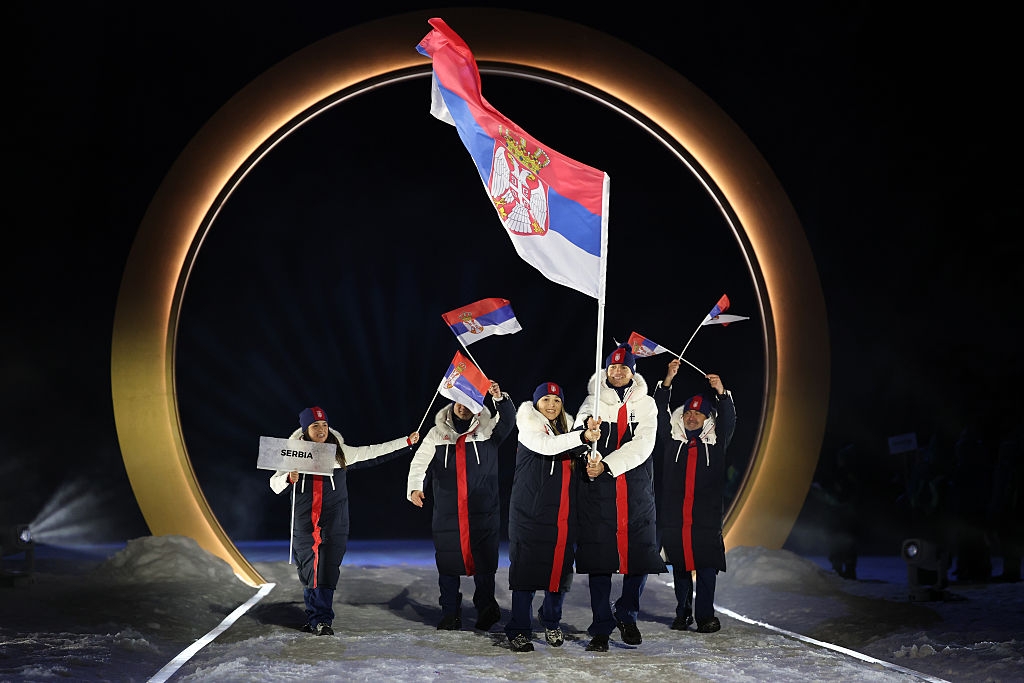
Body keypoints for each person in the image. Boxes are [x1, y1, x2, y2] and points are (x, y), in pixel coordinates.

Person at [269, 406, 420, 636]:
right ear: (305, 429)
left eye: (324, 425)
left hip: (334, 522)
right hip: (304, 522)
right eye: (315, 426)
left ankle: (322, 620)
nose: (321, 430)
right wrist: (288, 478)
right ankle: (314, 618)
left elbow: (374, 452)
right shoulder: (293, 453)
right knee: (309, 570)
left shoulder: (339, 453)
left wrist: (406, 442)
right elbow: (274, 484)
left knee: (326, 569)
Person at [572, 343, 666, 652]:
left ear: (632, 372)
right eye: (613, 367)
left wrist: (609, 465)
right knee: (599, 558)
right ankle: (601, 625)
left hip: (635, 488)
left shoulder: (648, 405)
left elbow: (643, 444)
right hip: (598, 490)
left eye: (624, 367)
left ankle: (627, 614)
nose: (618, 371)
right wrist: (588, 439)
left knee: (638, 557)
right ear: (606, 370)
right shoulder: (592, 401)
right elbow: (578, 437)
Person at [407, 380, 515, 632]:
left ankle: (486, 608)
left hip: (482, 509)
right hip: (449, 512)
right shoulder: (436, 433)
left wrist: (499, 398)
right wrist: (415, 487)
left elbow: (508, 420)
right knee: (447, 562)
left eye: (468, 403)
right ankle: (450, 612)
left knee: (485, 563)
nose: (462, 407)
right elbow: (419, 462)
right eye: (459, 401)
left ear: (476, 405)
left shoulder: (488, 430)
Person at [504, 382, 601, 653]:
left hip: (563, 514)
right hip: (529, 513)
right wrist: (582, 436)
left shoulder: (567, 431)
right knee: (526, 572)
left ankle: (551, 619)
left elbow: (581, 455)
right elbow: (547, 447)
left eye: (556, 400)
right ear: (536, 404)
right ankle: (519, 628)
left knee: (559, 573)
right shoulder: (528, 427)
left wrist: (594, 453)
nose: (551, 404)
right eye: (545, 399)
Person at [653, 358, 736, 633]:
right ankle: (683, 611)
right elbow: (659, 413)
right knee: (680, 565)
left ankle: (705, 615)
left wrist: (721, 392)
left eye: (698, 414)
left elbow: (729, 418)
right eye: (688, 412)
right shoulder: (671, 440)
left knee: (707, 566)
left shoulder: (718, 442)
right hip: (676, 516)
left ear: (707, 418)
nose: (691, 417)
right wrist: (667, 381)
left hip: (705, 517)